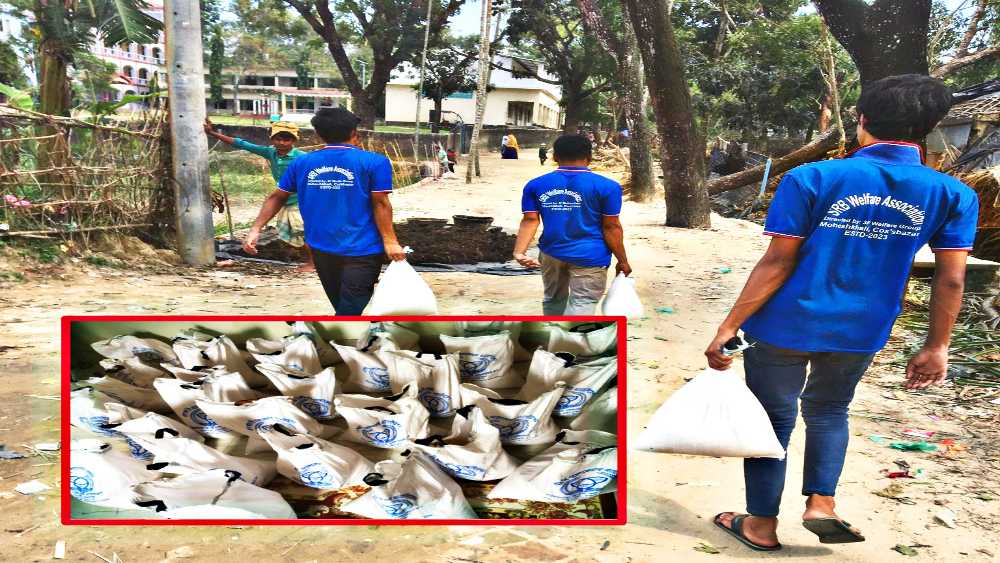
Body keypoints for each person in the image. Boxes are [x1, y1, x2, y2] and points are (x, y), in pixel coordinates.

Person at [704, 74, 979, 552]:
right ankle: (821, 504)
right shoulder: (953, 194)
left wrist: (729, 326)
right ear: (930, 128)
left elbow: (777, 261)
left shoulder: (811, 178)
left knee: (774, 421)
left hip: (784, 324)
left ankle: (761, 526)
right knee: (830, 409)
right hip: (862, 328)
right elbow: (950, 278)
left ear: (862, 120)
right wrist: (937, 346)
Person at [242, 107, 407, 315]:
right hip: (330, 249)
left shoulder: (302, 162)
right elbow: (380, 203)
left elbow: (276, 197)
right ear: (354, 133)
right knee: (343, 308)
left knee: (348, 311)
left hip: (355, 250)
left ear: (319, 134)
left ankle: (344, 341)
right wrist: (391, 241)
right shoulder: (375, 161)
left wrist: (256, 228)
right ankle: (348, 341)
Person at [513, 134, 631, 315]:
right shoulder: (608, 187)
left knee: (553, 300)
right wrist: (622, 260)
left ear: (555, 157)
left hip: (552, 253)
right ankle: (570, 341)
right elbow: (611, 227)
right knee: (582, 304)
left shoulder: (535, 185)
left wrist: (519, 252)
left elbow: (530, 220)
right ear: (589, 157)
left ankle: (553, 338)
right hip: (590, 255)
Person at [204, 119, 314, 272]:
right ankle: (311, 261)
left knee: (304, 233)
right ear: (271, 138)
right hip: (284, 201)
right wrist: (213, 133)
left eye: (286, 139)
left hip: (301, 201)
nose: (282, 142)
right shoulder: (271, 152)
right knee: (295, 234)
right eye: (278, 138)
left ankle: (313, 263)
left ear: (294, 140)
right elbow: (242, 144)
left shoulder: (302, 157)